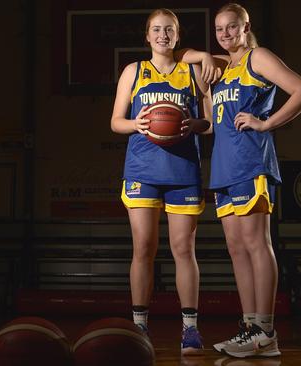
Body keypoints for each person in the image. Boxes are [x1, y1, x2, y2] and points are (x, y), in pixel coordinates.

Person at [179, 2, 301, 359]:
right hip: (223, 168)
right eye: (219, 29)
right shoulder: (220, 69)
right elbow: (211, 120)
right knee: (236, 248)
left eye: (231, 27)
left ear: (245, 26)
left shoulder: (259, 57)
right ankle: (250, 328)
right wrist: (196, 125)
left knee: (257, 243)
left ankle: (266, 330)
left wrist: (267, 123)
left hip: (252, 163)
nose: (225, 34)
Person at [110, 8, 213, 356]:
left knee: (183, 249)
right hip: (142, 170)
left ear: (178, 35)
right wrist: (136, 124)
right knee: (144, 249)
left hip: (182, 170)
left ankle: (190, 329)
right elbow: (115, 122)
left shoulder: (192, 71)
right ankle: (140, 325)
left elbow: (209, 123)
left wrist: (192, 124)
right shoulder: (133, 71)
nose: (162, 35)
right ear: (147, 35)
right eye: (156, 29)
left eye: (169, 30)